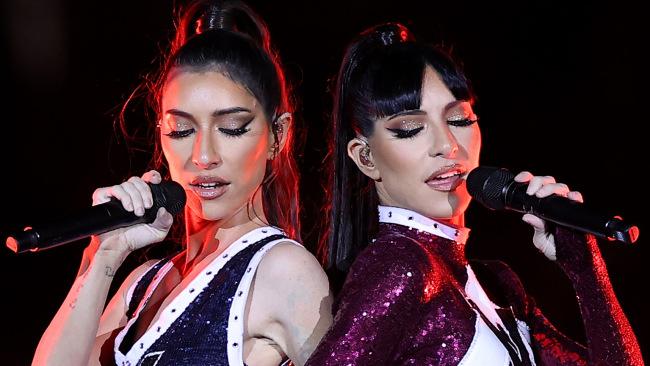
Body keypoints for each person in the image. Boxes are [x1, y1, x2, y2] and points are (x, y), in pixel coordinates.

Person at [306, 23, 643, 365]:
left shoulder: (498, 283)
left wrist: (586, 270)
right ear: (366, 158)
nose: (446, 146)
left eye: (459, 120)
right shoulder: (400, 266)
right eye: (411, 129)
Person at [32, 1, 332, 365]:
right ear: (161, 134)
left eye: (232, 128)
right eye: (182, 130)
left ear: (277, 135)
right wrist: (104, 255)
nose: (203, 156)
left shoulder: (281, 269)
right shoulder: (144, 283)